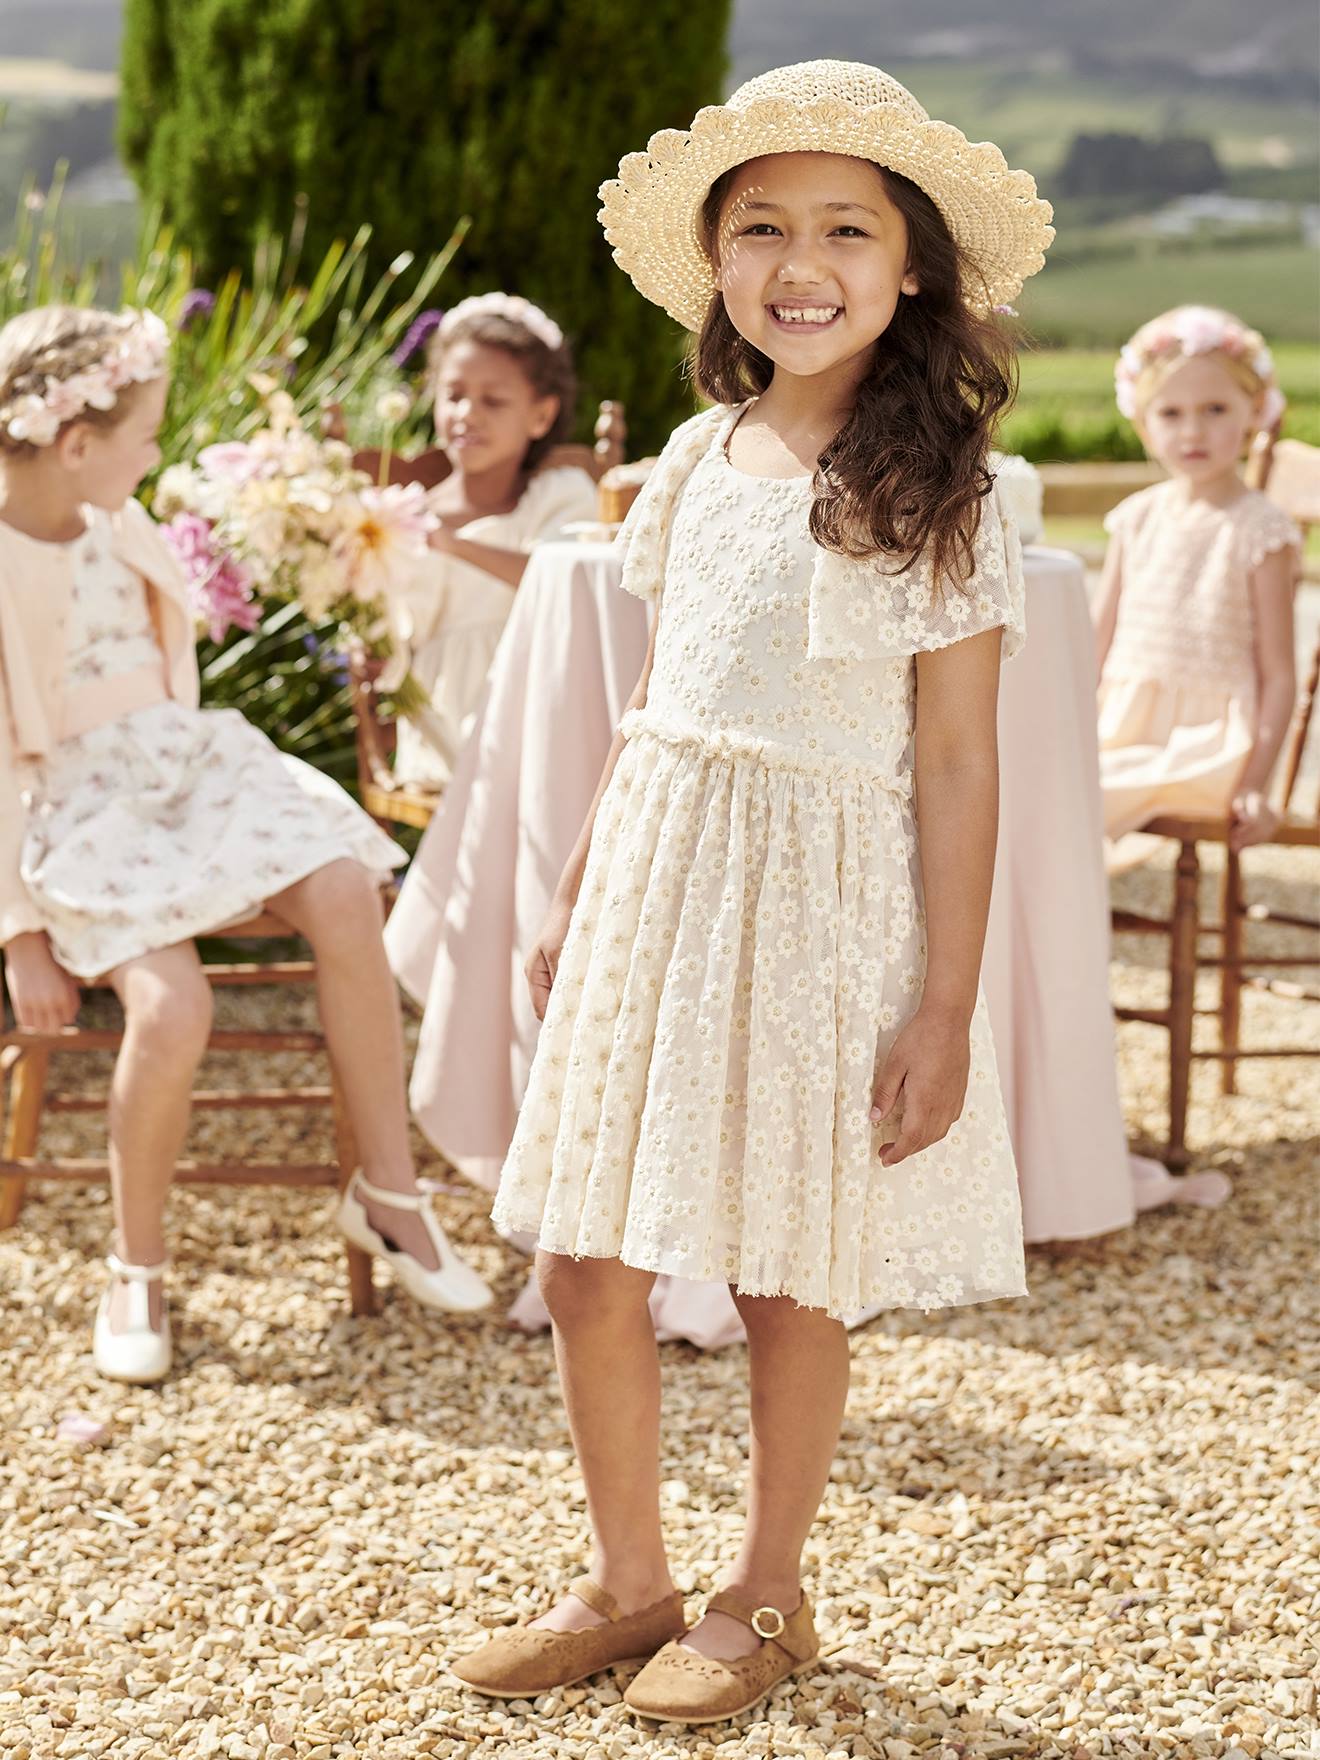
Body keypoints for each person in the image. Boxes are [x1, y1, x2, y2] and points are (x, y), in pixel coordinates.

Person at [450, 60, 1053, 1722]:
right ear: (718, 260)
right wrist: (578, 883)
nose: (804, 261)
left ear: (913, 264)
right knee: (587, 1250)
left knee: (790, 1256)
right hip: (661, 861)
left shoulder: (950, 489)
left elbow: (957, 762)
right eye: (763, 227)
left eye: (847, 228)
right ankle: (625, 1579)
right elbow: (659, 698)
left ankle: (768, 1592)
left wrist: (945, 1003)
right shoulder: (702, 460)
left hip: (825, 889)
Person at [0, 305, 493, 1386]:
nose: (155, 453)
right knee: (176, 1007)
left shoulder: (116, 524)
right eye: (144, 434)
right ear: (76, 441)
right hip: (78, 812)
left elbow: (168, 674)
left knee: (344, 885)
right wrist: (19, 932)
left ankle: (390, 1196)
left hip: (188, 767)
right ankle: (136, 1263)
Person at [1094, 305, 1301, 870]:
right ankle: (1040, 943)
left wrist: (1257, 782)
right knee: (1027, 782)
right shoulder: (1135, 519)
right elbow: (1096, 644)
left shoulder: (1261, 531)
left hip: (1209, 746)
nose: (1192, 431)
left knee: (1068, 799)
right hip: (1121, 729)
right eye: (1171, 413)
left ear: (1253, 411)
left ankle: (1056, 941)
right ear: (1144, 422)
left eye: (1214, 410)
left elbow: (1280, 673)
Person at [391, 293, 598, 788]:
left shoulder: (561, 496)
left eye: (493, 400)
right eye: (454, 394)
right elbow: (402, 631)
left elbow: (569, 582)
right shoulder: (413, 513)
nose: (467, 413)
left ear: (541, 416)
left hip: (547, 704)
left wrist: (455, 543)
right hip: (447, 719)